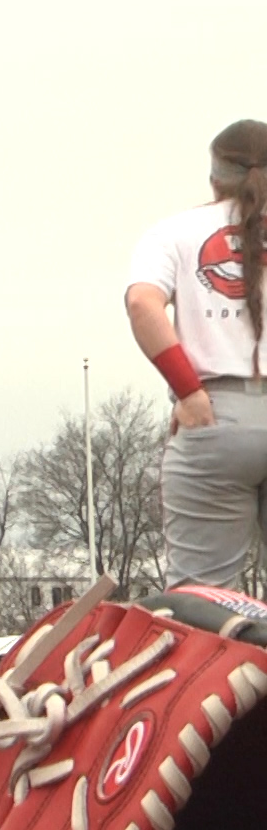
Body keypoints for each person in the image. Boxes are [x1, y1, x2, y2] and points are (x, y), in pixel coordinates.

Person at [128, 120, 267, 591]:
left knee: (203, 604)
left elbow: (142, 304)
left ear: (214, 176)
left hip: (217, 418)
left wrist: (188, 392)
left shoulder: (176, 232)